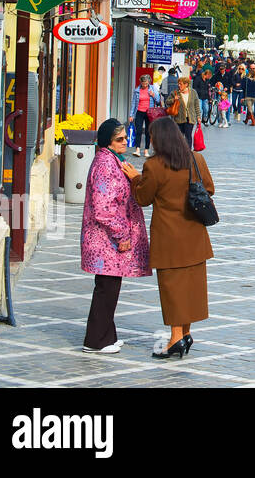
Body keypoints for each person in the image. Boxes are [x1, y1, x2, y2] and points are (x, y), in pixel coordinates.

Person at [125, 116, 214, 359]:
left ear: (159, 139)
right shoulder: (196, 159)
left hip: (169, 237)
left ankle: (176, 338)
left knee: (172, 288)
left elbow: (143, 198)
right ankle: (185, 333)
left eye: (152, 137)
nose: (150, 140)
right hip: (195, 234)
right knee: (191, 288)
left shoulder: (154, 166)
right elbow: (209, 189)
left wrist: (134, 178)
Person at [80, 119, 151, 354]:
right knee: (106, 287)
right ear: (107, 142)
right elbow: (103, 208)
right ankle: (95, 341)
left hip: (108, 240)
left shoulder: (114, 160)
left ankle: (107, 336)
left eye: (126, 138)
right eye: (119, 139)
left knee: (111, 285)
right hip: (105, 240)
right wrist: (122, 234)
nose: (125, 142)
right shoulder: (105, 164)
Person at [130, 74, 161, 157]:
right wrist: (131, 115)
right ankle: (137, 149)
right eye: (143, 83)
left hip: (149, 112)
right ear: (141, 82)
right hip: (139, 112)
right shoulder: (137, 90)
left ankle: (146, 150)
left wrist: (153, 95)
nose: (145, 85)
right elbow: (133, 103)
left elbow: (158, 101)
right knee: (139, 131)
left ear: (149, 83)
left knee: (148, 132)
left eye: (146, 84)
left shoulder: (152, 89)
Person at [167, 73, 201, 145]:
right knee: (179, 137)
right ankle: (179, 151)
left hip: (190, 118)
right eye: (178, 84)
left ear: (186, 84)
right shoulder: (175, 93)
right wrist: (173, 99)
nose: (179, 85)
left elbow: (196, 105)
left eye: (181, 84)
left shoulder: (193, 92)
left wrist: (198, 117)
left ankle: (188, 152)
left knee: (188, 136)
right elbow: (167, 102)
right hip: (179, 118)